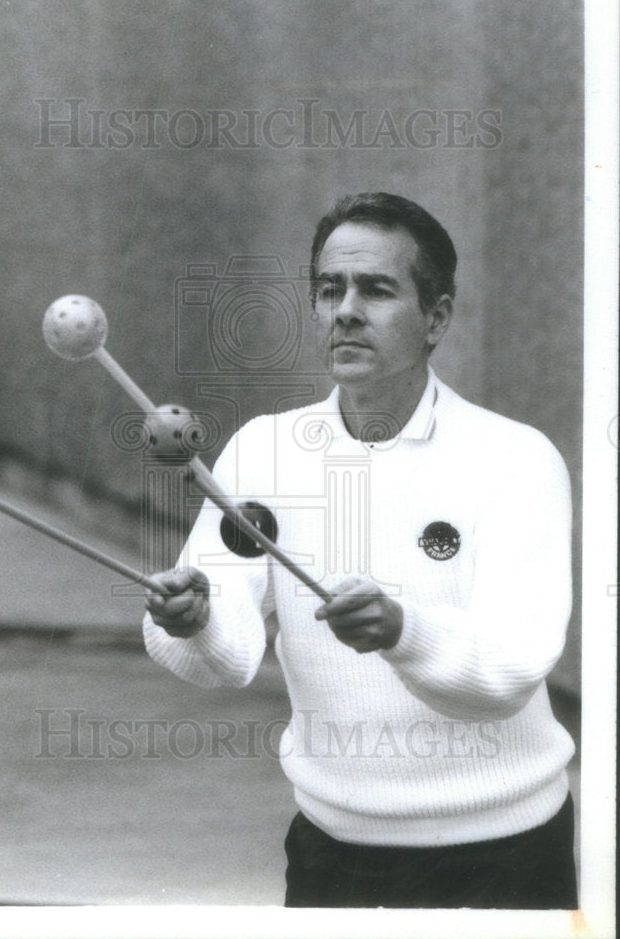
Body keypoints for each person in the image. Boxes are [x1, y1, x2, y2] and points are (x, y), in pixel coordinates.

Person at [142, 192, 578, 909]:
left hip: (504, 856)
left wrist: (402, 632)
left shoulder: (515, 459)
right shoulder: (266, 452)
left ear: (436, 318)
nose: (345, 309)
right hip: (332, 854)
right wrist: (192, 620)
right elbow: (227, 654)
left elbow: (511, 669)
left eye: (376, 289)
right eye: (328, 289)